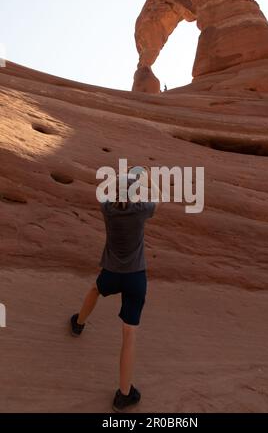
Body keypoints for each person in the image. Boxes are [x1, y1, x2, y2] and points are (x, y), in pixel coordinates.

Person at [70, 167, 161, 412]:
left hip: (111, 272)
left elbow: (105, 192)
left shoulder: (107, 208)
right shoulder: (142, 210)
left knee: (95, 290)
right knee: (129, 334)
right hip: (135, 277)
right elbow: (156, 198)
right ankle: (124, 394)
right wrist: (149, 181)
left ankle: (78, 323)